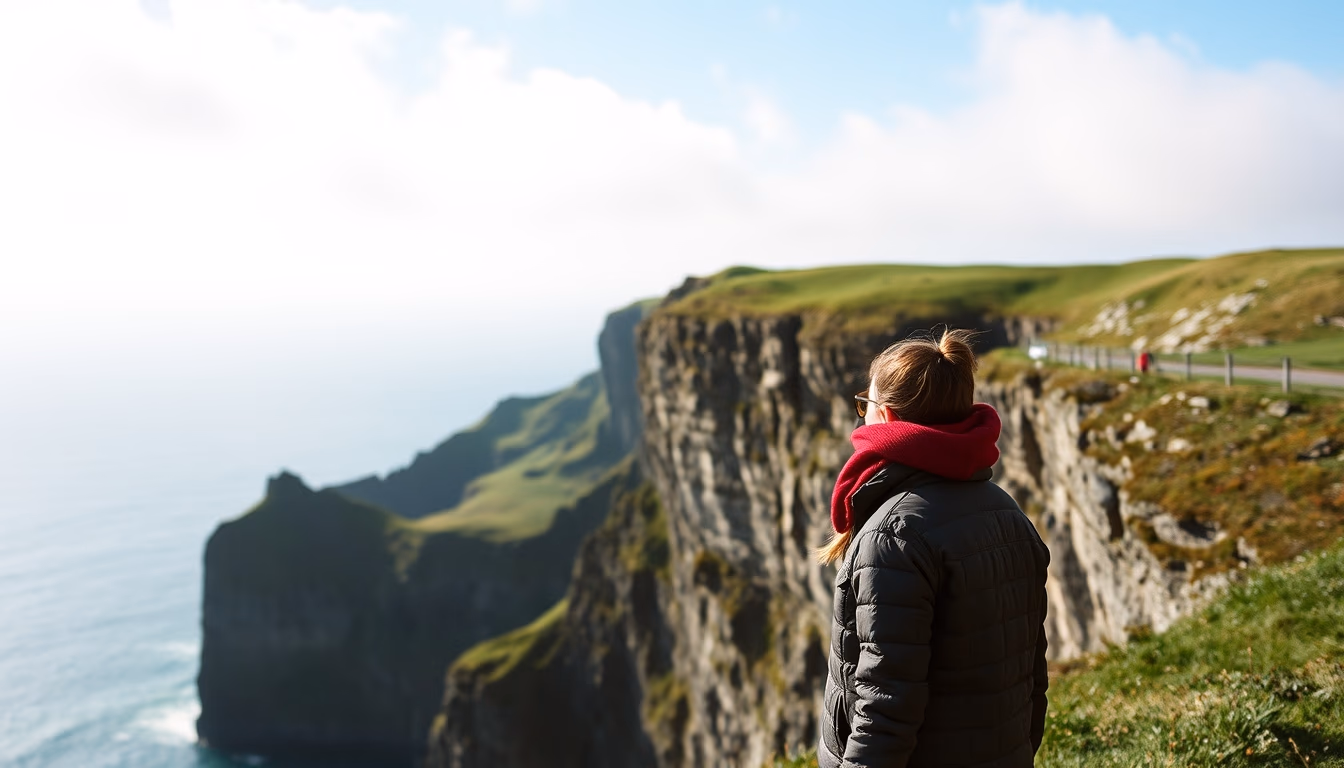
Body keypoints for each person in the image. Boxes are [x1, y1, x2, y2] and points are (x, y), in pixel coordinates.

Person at [816, 328, 1051, 768]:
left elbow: (883, 706)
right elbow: (1032, 677)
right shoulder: (1008, 513)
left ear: (884, 416)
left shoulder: (892, 536)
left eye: (863, 406)